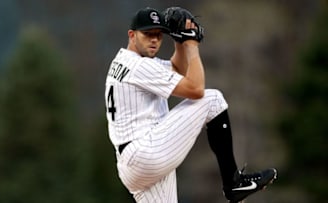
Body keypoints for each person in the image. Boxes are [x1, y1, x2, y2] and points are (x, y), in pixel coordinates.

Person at [104, 7, 277, 203]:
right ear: (132, 35)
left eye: (159, 35)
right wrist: (191, 46)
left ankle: (234, 184)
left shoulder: (126, 62)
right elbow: (196, 89)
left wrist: (179, 42)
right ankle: (233, 182)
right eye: (148, 34)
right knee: (213, 100)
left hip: (133, 165)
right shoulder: (140, 66)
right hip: (146, 152)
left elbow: (177, 69)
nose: (154, 40)